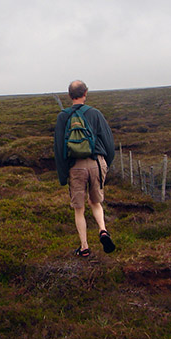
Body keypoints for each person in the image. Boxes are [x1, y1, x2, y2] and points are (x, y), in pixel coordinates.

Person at [54, 80, 116, 258]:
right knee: (96, 202)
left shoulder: (62, 117)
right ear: (85, 93)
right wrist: (106, 163)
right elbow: (109, 142)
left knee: (79, 209)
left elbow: (59, 148)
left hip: (76, 167)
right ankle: (103, 230)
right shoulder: (95, 113)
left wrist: (63, 174)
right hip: (96, 162)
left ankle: (84, 247)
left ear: (69, 95)